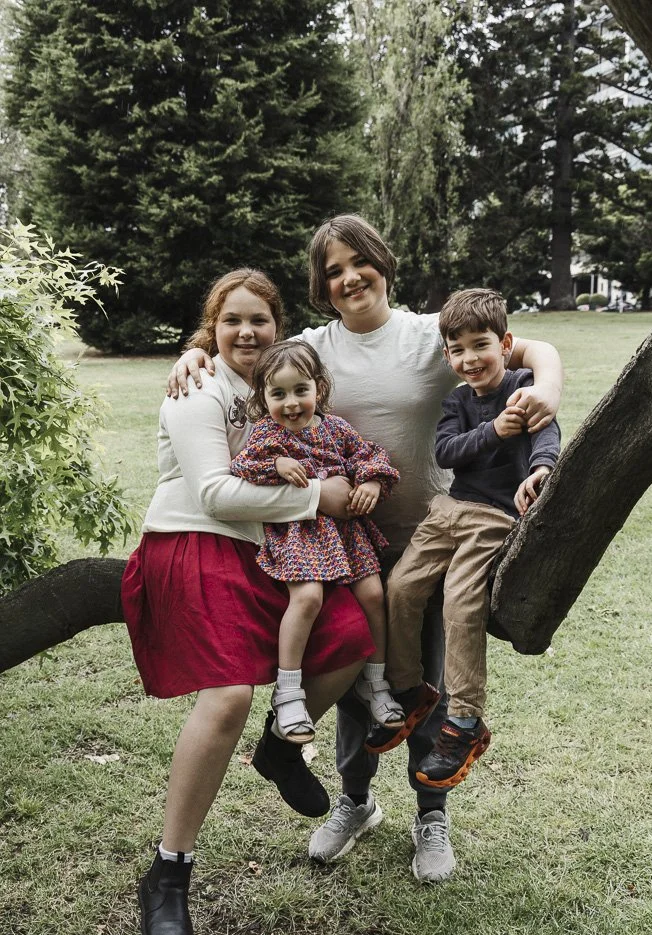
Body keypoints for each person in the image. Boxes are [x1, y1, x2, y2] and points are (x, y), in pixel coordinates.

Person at [168, 213, 563, 882]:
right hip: (336, 542)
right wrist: (194, 352)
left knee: (420, 681)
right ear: (322, 286)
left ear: (381, 262)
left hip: (426, 539)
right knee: (356, 683)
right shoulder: (310, 346)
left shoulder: (424, 335)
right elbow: (243, 348)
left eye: (359, 261)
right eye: (332, 270)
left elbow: (527, 350)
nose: (349, 276)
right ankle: (354, 801)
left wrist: (545, 390)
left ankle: (431, 813)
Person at [121, 268, 376, 935]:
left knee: (353, 634)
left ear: (278, 326)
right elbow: (212, 492)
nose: (245, 331)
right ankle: (169, 871)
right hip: (191, 545)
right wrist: (317, 499)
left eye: (258, 320)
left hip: (264, 553)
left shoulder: (278, 384)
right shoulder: (196, 388)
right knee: (228, 692)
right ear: (213, 326)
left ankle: (278, 745)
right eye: (230, 320)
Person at [383, 288, 561, 790]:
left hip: (494, 517)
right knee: (400, 587)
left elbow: (547, 436)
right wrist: (493, 433)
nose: (469, 358)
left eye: (479, 345)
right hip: (448, 509)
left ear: (505, 343)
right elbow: (445, 453)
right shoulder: (458, 400)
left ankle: (464, 721)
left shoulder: (524, 390)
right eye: (457, 350)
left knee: (461, 604)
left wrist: (540, 469)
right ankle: (408, 688)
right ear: (447, 356)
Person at [230, 339, 403, 743]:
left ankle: (374, 682)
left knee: (375, 596)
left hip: (347, 536)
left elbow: (368, 456)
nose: (291, 403)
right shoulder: (268, 434)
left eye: (300, 391)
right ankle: (288, 691)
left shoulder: (337, 428)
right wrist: (277, 462)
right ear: (263, 397)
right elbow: (242, 465)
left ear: (318, 389)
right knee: (307, 598)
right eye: (278, 394)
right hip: (302, 534)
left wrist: (373, 482)